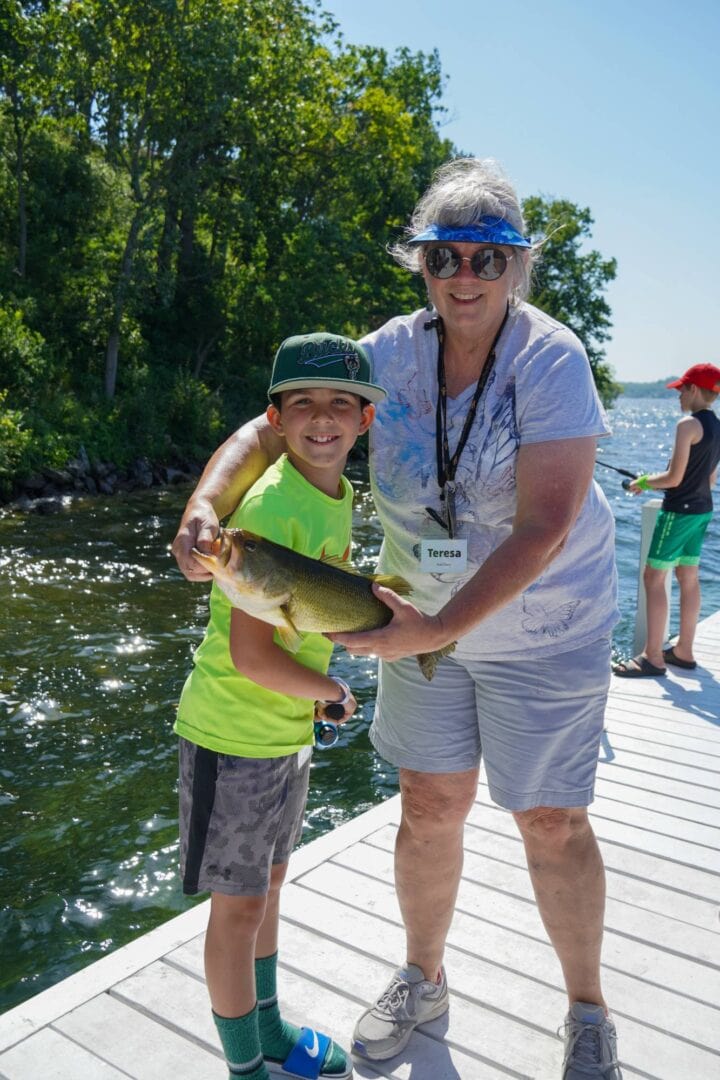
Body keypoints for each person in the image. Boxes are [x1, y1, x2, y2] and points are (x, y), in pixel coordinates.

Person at [172, 158, 622, 1080]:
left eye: (487, 260)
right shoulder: (387, 350)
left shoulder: (552, 360)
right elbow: (273, 425)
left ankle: (587, 1006)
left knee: (548, 819)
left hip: (542, 627)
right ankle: (424, 976)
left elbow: (544, 526)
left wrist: (435, 627)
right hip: (412, 619)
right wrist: (205, 506)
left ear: (518, 268)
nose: (464, 275)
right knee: (429, 804)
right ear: (420, 264)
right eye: (444, 255)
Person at [174, 332, 386, 1080]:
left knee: (267, 889)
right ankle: (245, 1069)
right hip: (232, 735)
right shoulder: (266, 506)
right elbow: (252, 655)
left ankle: (266, 1027)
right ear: (275, 417)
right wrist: (333, 690)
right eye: (303, 405)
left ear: (365, 421)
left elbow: (305, 619)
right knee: (234, 911)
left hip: (285, 733)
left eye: (340, 405)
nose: (321, 419)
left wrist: (321, 693)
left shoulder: (336, 495)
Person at [613, 362, 720, 677]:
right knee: (689, 578)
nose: (678, 397)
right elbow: (709, 480)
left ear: (694, 390)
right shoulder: (717, 427)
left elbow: (673, 478)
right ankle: (684, 651)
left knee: (653, 578)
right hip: (702, 511)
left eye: (681, 390)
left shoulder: (687, 425)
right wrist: (653, 481)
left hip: (677, 513)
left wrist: (643, 483)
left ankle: (653, 657)